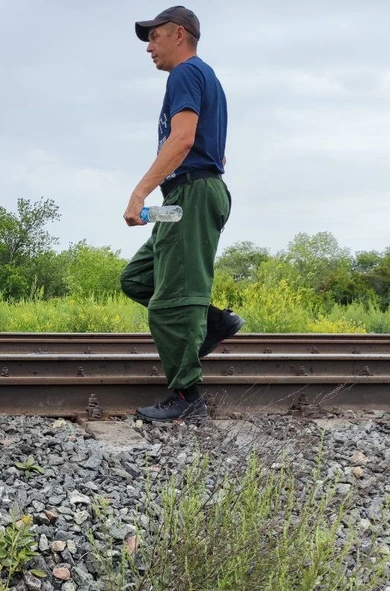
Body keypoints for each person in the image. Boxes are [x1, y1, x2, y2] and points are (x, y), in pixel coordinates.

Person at [119, 5, 244, 422]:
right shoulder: (203, 76)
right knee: (137, 278)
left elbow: (184, 139)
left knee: (171, 302)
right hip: (182, 196)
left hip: (191, 191)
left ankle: (188, 398)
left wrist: (139, 193)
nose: (149, 47)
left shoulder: (187, 72)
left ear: (178, 33)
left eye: (153, 37)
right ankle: (212, 324)